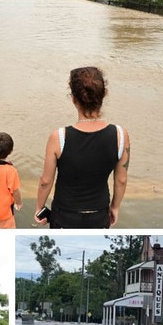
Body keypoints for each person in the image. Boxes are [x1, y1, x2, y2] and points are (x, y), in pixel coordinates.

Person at [35, 66, 130, 228]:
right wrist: (115, 207)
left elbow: (46, 181)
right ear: (104, 94)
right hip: (99, 214)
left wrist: (39, 207)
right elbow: (121, 180)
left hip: (64, 214)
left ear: (73, 98)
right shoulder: (120, 135)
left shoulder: (59, 137)